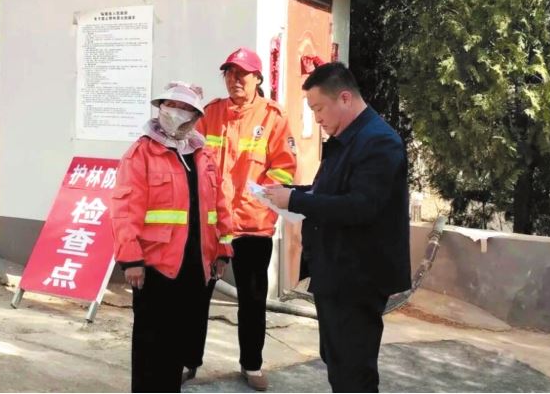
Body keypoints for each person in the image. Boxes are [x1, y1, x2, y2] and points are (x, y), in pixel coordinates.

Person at [264, 62, 411, 393]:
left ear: (345, 98)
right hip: (335, 270)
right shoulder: (347, 139)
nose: (316, 118)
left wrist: (296, 201)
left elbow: (360, 206)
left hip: (359, 275)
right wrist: (289, 194)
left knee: (353, 370)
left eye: (319, 108)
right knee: (337, 360)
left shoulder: (379, 142)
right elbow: (329, 193)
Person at [111, 82, 234, 393]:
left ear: (196, 116)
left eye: (186, 109)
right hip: (155, 268)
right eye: (172, 105)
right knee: (150, 346)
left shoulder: (203, 153)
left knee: (178, 345)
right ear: (161, 108)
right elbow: (125, 209)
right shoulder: (141, 153)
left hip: (195, 267)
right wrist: (131, 259)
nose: (177, 113)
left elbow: (219, 205)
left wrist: (222, 250)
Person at [196, 47, 297, 391]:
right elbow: (194, 160)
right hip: (212, 226)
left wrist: (260, 202)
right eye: (229, 73)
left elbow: (285, 169)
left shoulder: (273, 117)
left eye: (242, 74)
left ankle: (251, 365)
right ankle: (188, 361)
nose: (234, 80)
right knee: (197, 298)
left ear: (257, 79)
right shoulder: (210, 114)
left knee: (252, 302)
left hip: (252, 227)